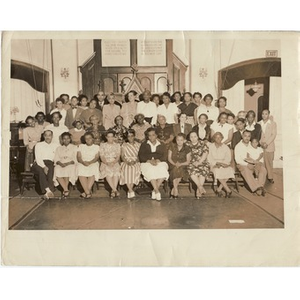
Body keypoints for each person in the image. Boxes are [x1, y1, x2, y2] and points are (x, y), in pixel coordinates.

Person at [138, 128, 169, 201]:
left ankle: (154, 190)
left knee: (163, 170)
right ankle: (157, 191)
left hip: (160, 162)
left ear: (156, 135)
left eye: (153, 135)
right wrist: (149, 160)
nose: (151, 137)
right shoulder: (144, 144)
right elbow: (141, 156)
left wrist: (158, 160)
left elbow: (165, 155)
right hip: (147, 162)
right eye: (149, 136)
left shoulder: (162, 144)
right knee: (150, 170)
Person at [234, 130, 267, 196]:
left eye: (249, 136)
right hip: (242, 164)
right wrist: (247, 164)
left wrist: (258, 162)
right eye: (245, 136)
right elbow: (238, 160)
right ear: (242, 136)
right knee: (246, 170)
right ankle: (256, 188)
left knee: (263, 169)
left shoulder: (252, 144)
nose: (247, 138)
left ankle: (260, 186)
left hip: (253, 163)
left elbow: (259, 153)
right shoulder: (238, 146)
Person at [31, 130, 59, 199]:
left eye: (49, 135)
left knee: (51, 169)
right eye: (46, 135)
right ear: (43, 136)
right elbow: (38, 158)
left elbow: (56, 157)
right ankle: (48, 190)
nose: (48, 137)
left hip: (50, 163)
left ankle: (47, 194)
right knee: (41, 171)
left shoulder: (56, 145)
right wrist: (43, 166)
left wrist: (55, 164)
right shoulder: (39, 145)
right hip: (38, 163)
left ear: (52, 136)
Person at [208, 132, 235, 198]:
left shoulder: (225, 147)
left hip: (223, 164)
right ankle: (228, 190)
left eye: (219, 137)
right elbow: (209, 158)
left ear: (222, 138)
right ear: (214, 138)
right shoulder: (210, 147)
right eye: (216, 137)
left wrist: (224, 164)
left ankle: (219, 189)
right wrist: (216, 163)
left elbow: (228, 158)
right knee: (217, 171)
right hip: (214, 164)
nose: (218, 139)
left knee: (230, 170)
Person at [186, 131, 210, 199]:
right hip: (191, 162)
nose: (193, 138)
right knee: (192, 170)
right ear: (189, 138)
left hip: (202, 162)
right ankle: (200, 187)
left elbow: (205, 153)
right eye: (191, 137)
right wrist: (192, 162)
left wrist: (199, 162)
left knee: (203, 171)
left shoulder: (202, 143)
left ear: (197, 137)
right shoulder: (187, 144)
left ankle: (198, 190)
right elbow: (186, 155)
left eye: (195, 136)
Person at [53, 132, 77, 198]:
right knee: (57, 169)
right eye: (64, 139)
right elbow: (56, 158)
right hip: (61, 163)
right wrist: (60, 163)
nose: (66, 140)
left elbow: (75, 158)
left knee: (67, 170)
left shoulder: (74, 147)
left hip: (70, 163)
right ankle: (66, 189)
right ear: (62, 140)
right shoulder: (59, 148)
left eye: (67, 138)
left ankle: (65, 190)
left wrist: (67, 163)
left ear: (70, 139)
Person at [77, 132, 100, 199]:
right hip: (82, 162)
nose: (88, 140)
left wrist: (90, 162)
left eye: (89, 138)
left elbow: (96, 157)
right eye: (86, 139)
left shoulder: (96, 147)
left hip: (93, 162)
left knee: (93, 168)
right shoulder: (81, 146)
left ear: (92, 139)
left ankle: (86, 192)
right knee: (80, 168)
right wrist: (83, 162)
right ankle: (88, 192)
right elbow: (79, 157)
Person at [168, 133, 191, 198]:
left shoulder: (187, 148)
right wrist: (175, 164)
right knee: (175, 169)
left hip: (183, 165)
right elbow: (169, 158)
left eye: (181, 140)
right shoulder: (172, 146)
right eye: (178, 140)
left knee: (179, 169)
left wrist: (180, 164)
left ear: (184, 140)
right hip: (173, 164)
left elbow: (188, 161)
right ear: (176, 140)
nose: (179, 142)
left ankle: (174, 189)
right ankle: (176, 189)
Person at [120, 129, 141, 199]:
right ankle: (131, 190)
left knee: (135, 169)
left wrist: (135, 161)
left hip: (135, 160)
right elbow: (122, 156)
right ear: (127, 137)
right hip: (127, 160)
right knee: (126, 169)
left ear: (134, 136)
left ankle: (130, 191)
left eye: (132, 136)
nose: (130, 138)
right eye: (129, 136)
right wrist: (127, 162)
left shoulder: (138, 145)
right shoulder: (124, 145)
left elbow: (139, 155)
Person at [99, 130, 121, 198]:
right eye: (108, 137)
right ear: (106, 137)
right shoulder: (102, 145)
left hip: (114, 162)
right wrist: (107, 163)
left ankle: (113, 191)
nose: (110, 138)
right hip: (105, 162)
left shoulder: (117, 145)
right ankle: (115, 190)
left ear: (114, 137)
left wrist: (113, 162)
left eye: (112, 137)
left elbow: (118, 156)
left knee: (116, 172)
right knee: (108, 171)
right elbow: (102, 156)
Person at [258, 109, 277, 183]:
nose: (264, 115)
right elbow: (258, 135)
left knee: (269, 162)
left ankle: (270, 177)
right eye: (263, 114)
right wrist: (261, 143)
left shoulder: (273, 123)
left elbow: (273, 134)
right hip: (261, 146)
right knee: (262, 162)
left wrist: (267, 143)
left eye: (266, 114)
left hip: (269, 146)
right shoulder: (259, 123)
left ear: (268, 114)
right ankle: (262, 176)